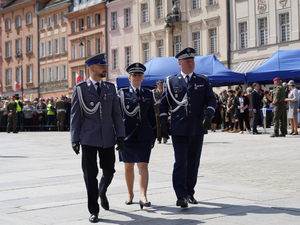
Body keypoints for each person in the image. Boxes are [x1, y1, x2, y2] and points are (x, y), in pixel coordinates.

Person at [70, 53, 125, 223]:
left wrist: (121, 134)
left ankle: (102, 191)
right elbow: (75, 115)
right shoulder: (80, 89)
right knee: (90, 174)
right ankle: (93, 210)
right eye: (102, 67)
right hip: (88, 138)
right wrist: (74, 139)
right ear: (92, 69)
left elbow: (117, 113)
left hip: (108, 136)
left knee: (109, 171)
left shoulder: (110, 88)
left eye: (105, 67)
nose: (104, 70)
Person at [159, 47, 216, 208]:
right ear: (180, 63)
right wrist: (163, 124)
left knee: (193, 162)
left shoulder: (202, 80)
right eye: (187, 61)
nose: (191, 64)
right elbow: (164, 104)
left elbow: (211, 100)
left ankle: (190, 192)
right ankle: (181, 195)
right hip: (178, 128)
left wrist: (209, 115)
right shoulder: (171, 81)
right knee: (180, 162)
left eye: (192, 61)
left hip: (197, 128)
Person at [118, 62, 157, 210]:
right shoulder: (121, 93)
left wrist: (154, 134)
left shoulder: (148, 93)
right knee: (128, 166)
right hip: (127, 135)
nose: (137, 77)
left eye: (139, 75)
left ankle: (143, 196)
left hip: (144, 134)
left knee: (143, 165)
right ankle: (130, 194)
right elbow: (118, 116)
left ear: (142, 77)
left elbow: (152, 115)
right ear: (129, 77)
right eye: (134, 75)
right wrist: (118, 136)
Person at [153, 79, 167, 144]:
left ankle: (165, 137)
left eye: (162, 85)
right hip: (156, 111)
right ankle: (159, 138)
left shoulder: (165, 92)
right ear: (157, 85)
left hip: (164, 111)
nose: (161, 86)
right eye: (160, 85)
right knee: (158, 125)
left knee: (164, 124)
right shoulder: (154, 92)